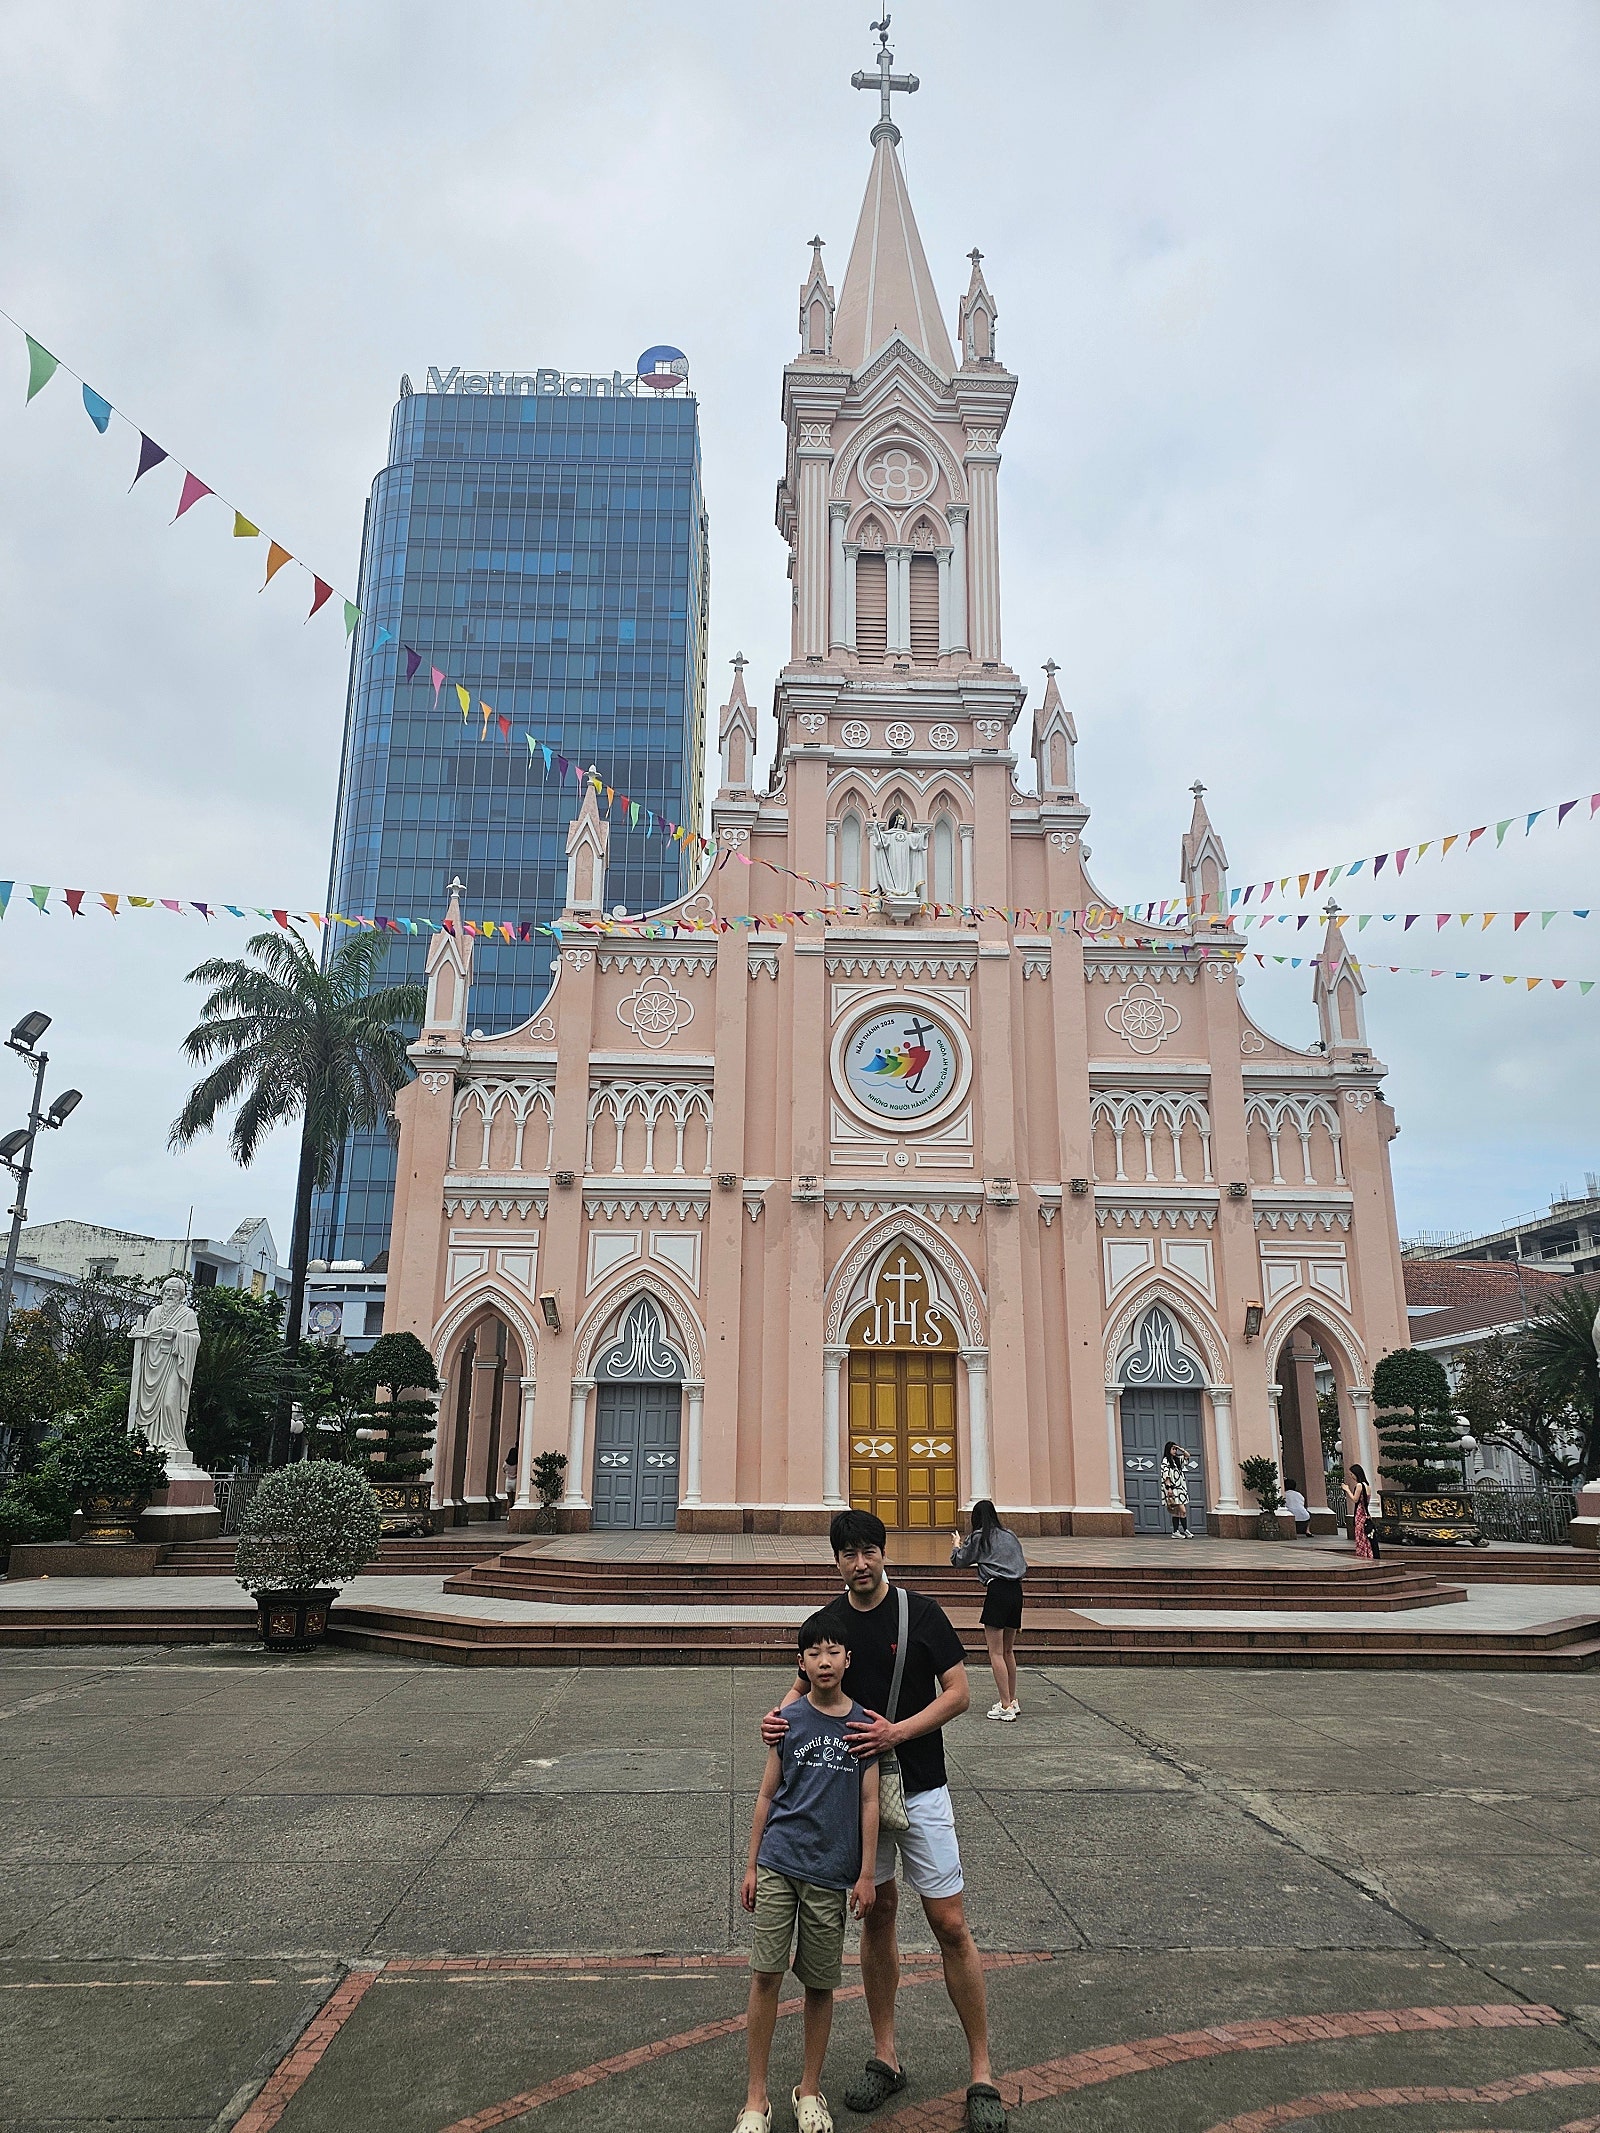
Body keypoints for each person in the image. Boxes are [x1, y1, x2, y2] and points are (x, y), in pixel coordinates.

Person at [762, 1509, 1008, 2133]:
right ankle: (885, 2055)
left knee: (950, 1922)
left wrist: (899, 1731)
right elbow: (804, 1685)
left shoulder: (922, 1613)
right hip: (856, 1797)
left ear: (882, 1553)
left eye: (870, 1550)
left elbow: (959, 1693)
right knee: (878, 1917)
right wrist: (777, 1717)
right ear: (836, 1560)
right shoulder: (832, 1625)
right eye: (849, 1554)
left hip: (922, 1786)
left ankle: (982, 2071)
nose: (861, 1563)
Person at [737, 1616, 881, 2133]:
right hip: (779, 1862)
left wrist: (866, 1875)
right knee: (765, 1976)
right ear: (801, 1663)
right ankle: (757, 2098)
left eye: (833, 1651)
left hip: (830, 1873)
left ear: (848, 1660)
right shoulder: (788, 1720)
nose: (824, 1660)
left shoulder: (863, 1724)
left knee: (820, 1983)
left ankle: (809, 2088)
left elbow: (870, 1802)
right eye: (813, 1653)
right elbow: (765, 1794)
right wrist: (751, 1864)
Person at [949, 1500, 1027, 1721]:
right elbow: (1022, 1563)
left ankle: (1004, 1706)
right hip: (1016, 1591)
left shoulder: (979, 1537)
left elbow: (959, 1561)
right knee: (1008, 1651)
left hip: (997, 1591)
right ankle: (1012, 1700)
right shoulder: (1009, 1535)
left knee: (995, 1652)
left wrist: (956, 1544)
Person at [1344, 1462, 1380, 1560]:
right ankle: (1369, 1553)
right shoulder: (1367, 1486)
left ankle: (1363, 1553)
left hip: (1360, 1512)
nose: (1351, 1477)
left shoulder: (1359, 1485)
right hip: (1366, 1512)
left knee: (1360, 1535)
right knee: (1366, 1536)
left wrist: (1347, 1490)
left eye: (1352, 1474)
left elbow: (1355, 1499)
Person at [1160, 1441, 1191, 1538]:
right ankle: (1184, 1530)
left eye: (1175, 1449)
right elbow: (1166, 1475)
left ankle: (1177, 1531)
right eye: (1173, 1449)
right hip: (1173, 1488)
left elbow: (1187, 1456)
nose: (1175, 1451)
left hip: (1180, 1487)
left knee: (1178, 1512)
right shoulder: (1166, 1461)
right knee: (1182, 1510)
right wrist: (1169, 1488)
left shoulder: (1177, 1460)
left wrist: (1180, 1448)